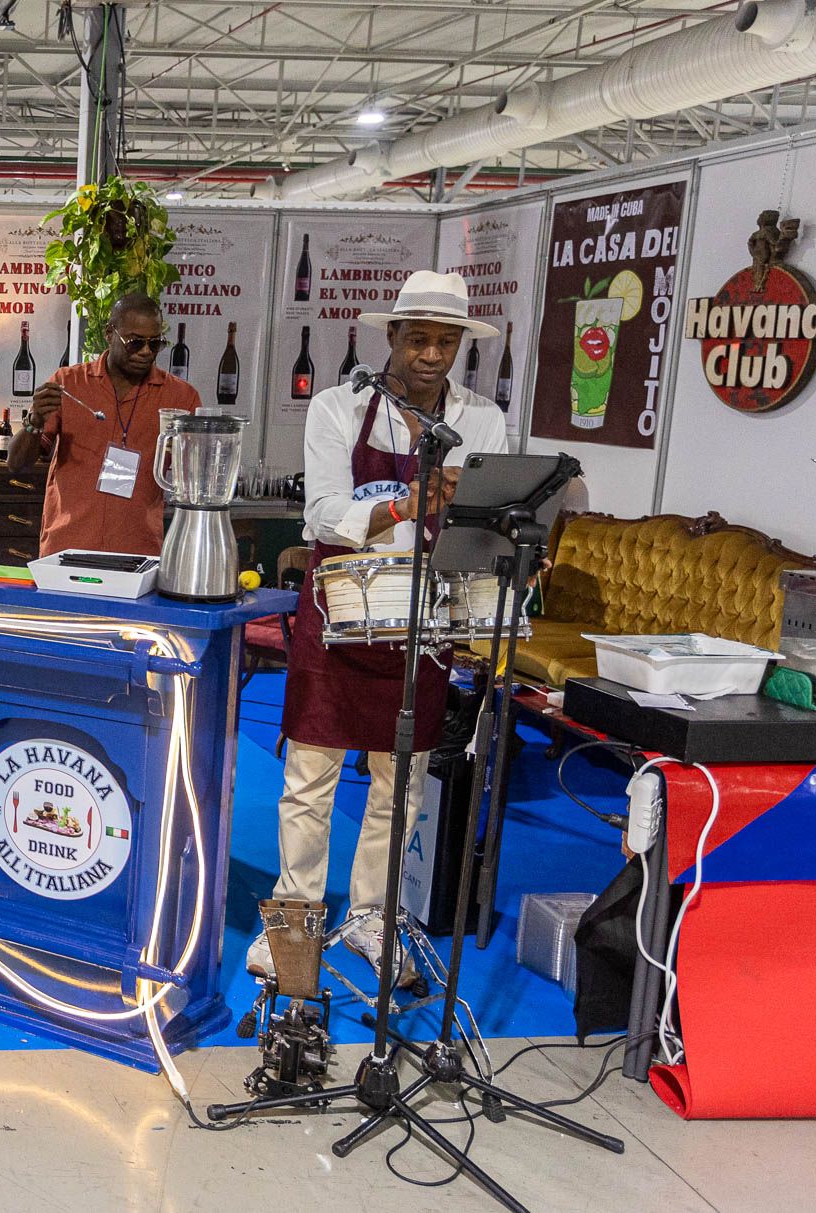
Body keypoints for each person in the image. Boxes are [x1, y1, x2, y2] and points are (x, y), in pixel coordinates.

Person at [247, 270, 511, 983]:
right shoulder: (339, 405)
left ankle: (373, 915)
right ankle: (294, 919)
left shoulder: (481, 421)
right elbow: (326, 513)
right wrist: (410, 504)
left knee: (404, 783)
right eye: (418, 337)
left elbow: (487, 515)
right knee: (310, 778)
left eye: (446, 340)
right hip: (340, 610)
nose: (431, 353)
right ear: (390, 336)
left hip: (424, 619)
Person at [6, 292, 201, 556]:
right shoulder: (69, 384)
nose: (145, 352)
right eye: (135, 343)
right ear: (110, 333)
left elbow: (192, 480)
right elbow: (17, 463)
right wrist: (35, 421)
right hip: (67, 547)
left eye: (154, 344)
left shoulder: (181, 397)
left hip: (137, 552)